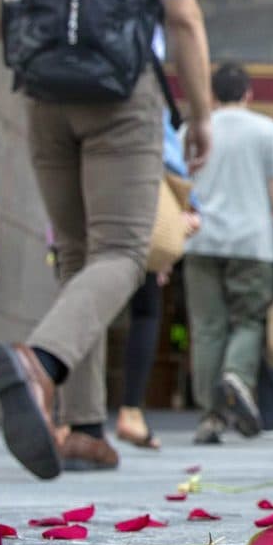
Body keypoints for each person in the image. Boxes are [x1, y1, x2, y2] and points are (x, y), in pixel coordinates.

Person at [0, 0, 213, 479]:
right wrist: (200, 115)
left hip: (45, 95)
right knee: (124, 252)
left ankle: (82, 428)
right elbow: (184, 20)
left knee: (77, 254)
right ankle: (40, 363)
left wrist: (48, 48)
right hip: (122, 93)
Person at [185, 62, 273, 446]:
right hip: (253, 243)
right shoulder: (266, 130)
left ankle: (210, 417)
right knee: (249, 320)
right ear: (249, 94)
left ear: (213, 96)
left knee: (206, 328)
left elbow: (177, 186)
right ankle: (236, 375)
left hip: (201, 240)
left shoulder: (191, 129)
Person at [112, 114, 196, 450]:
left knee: (82, 298)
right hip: (135, 202)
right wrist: (189, 208)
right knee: (146, 310)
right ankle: (130, 411)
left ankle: (64, 415)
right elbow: (168, 156)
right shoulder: (143, 86)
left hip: (85, 191)